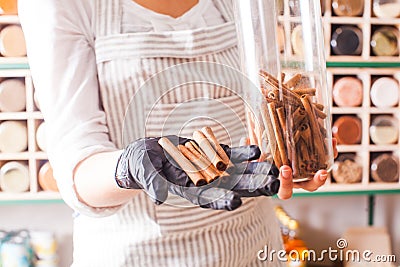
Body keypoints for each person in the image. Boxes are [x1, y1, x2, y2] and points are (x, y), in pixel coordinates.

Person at [19, 0, 337, 266]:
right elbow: (75, 168)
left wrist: (295, 155)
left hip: (254, 248)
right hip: (134, 255)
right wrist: (130, 167)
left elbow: (267, 96)